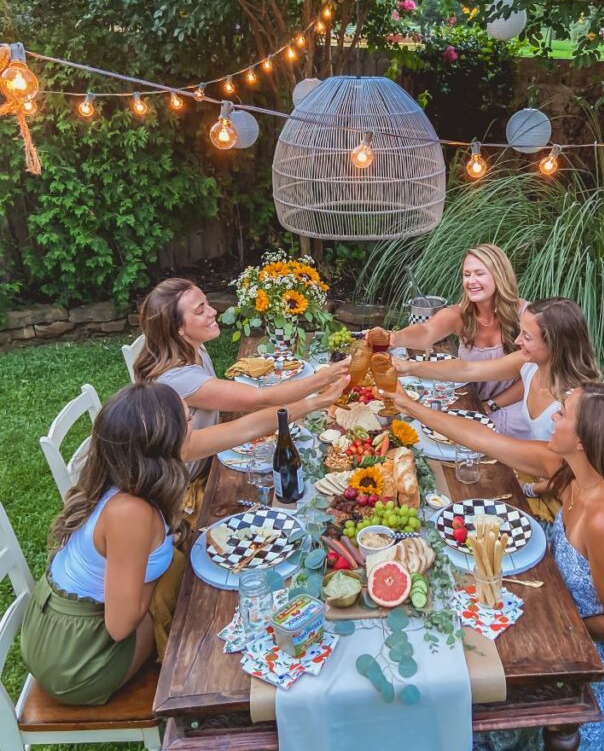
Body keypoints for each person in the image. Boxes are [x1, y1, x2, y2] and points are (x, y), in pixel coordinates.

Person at [384, 381, 604, 751]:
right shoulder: (572, 471)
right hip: (590, 612)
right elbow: (483, 439)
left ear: (586, 440)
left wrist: (556, 623)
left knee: (506, 655)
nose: (553, 416)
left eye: (564, 412)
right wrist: (408, 405)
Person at [20, 375, 347, 706]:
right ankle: (202, 712)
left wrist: (315, 402)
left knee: (198, 588)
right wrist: (159, 567)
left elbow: (247, 428)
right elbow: (120, 626)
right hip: (78, 657)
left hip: (58, 624)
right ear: (161, 442)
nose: (192, 416)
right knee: (200, 630)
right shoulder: (130, 513)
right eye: (185, 417)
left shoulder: (132, 469)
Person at [133, 278, 350, 482]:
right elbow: (260, 399)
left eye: (207, 304)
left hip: (206, 456)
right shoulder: (177, 376)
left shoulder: (192, 347)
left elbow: (249, 418)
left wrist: (319, 396)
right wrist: (323, 379)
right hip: (188, 480)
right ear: (177, 329)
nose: (212, 312)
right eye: (200, 311)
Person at [368, 245, 529, 437]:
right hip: (472, 401)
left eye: (479, 273)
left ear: (499, 275)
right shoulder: (459, 315)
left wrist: (492, 405)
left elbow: (535, 376)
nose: (471, 281)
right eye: (467, 274)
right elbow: (425, 331)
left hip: (513, 406)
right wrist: (393, 337)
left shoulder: (525, 315)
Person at [395, 297, 601, 443]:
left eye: (527, 337)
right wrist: (411, 367)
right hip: (534, 472)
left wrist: (413, 407)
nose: (518, 341)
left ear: (555, 345)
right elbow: (468, 369)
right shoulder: (531, 366)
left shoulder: (574, 402)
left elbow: (557, 467)